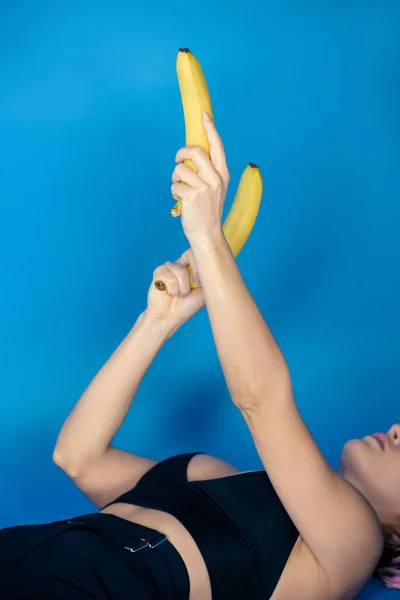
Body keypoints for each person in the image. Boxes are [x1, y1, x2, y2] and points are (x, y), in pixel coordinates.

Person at [0, 113, 398, 600]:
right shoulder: (213, 472)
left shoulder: (353, 546)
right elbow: (78, 457)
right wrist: (158, 321)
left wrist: (208, 236)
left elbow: (262, 401)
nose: (397, 429)